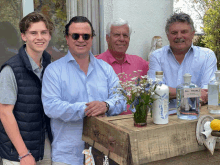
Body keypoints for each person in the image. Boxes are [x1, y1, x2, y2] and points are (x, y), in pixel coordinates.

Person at [41, 16, 126, 165]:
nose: (81, 39)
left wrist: (106, 105)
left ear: (92, 38)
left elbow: (122, 98)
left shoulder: (105, 69)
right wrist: (87, 109)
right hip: (68, 156)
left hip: (103, 153)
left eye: (86, 36)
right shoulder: (53, 70)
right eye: (75, 35)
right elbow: (51, 106)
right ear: (67, 38)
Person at [0, 12, 54, 165]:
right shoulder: (11, 70)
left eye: (44, 32)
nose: (39, 37)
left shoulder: (49, 65)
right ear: (24, 36)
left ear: (49, 36)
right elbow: (5, 113)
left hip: (44, 147)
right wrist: (24, 154)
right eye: (33, 33)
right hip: (17, 153)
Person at [147, 12, 217, 110]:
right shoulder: (156, 56)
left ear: (193, 34)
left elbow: (207, 92)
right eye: (174, 33)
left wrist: (172, 92)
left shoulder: (207, 56)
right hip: (164, 115)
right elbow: (155, 89)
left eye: (184, 32)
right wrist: (189, 92)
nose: (179, 36)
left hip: (196, 115)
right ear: (168, 36)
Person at [96, 18, 149, 115]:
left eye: (125, 35)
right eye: (116, 35)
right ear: (107, 38)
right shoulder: (96, 64)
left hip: (135, 124)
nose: (121, 39)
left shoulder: (139, 63)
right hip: (107, 125)